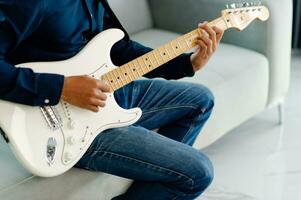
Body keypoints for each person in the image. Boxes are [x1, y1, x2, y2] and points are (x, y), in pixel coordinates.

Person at [0, 0, 223, 199]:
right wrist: (61, 88)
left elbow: (119, 49)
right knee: (198, 173)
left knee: (200, 100)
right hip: (63, 124)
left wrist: (188, 64)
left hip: (108, 92)